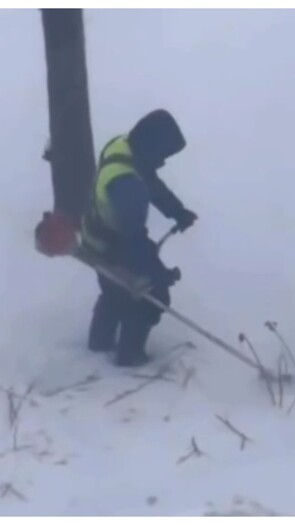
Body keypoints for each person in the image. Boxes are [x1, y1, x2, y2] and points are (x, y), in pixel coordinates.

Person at [79, 109, 197, 366]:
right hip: (111, 247)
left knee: (113, 293)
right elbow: (132, 243)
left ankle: (98, 345)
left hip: (97, 236)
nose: (163, 162)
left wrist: (176, 211)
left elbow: (150, 182)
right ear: (151, 146)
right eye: (163, 155)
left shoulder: (123, 149)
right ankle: (129, 356)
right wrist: (157, 274)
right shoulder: (126, 185)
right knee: (148, 298)